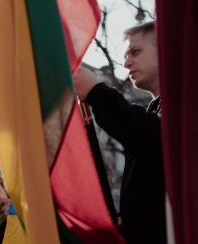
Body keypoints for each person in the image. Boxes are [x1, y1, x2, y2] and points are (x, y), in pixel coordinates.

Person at [72, 21, 165, 244]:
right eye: (125, 55)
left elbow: (152, 137)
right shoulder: (157, 109)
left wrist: (96, 92)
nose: (126, 62)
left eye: (135, 52)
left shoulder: (192, 101)